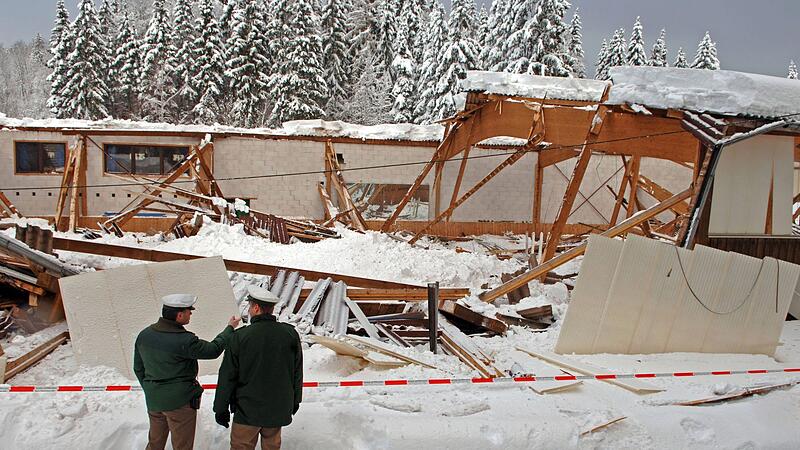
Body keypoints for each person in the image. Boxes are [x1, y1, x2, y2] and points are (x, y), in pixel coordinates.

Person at [134, 293, 240, 450]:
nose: (191, 314)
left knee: (155, 443)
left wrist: (151, 389)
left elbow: (138, 368)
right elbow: (213, 350)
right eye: (189, 311)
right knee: (182, 446)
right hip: (180, 403)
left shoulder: (144, 335)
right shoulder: (184, 340)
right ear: (179, 314)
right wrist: (229, 328)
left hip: (154, 400)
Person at [214, 285, 303, 450]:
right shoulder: (289, 334)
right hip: (277, 409)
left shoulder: (240, 337)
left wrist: (220, 408)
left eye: (250, 306)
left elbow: (228, 376)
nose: (249, 310)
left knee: (241, 446)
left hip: (247, 411)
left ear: (256, 308)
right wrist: (296, 400)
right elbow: (297, 371)